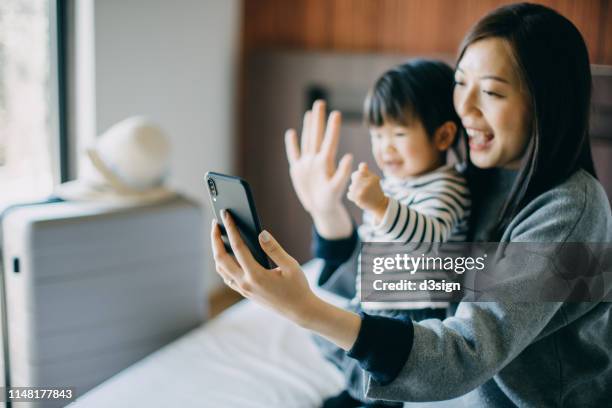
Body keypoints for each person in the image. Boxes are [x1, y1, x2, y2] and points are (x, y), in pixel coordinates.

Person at [212, 3, 612, 406]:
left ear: (547, 103)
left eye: (491, 91)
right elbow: (404, 284)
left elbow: (465, 354)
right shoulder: (472, 179)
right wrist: (328, 216)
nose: (465, 109)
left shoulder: (572, 210)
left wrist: (307, 310)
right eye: (460, 83)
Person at [316, 59, 470, 408]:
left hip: (416, 308)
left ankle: (378, 402)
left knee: (385, 368)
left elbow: (428, 239)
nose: (385, 147)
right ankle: (357, 393)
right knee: (347, 345)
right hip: (385, 295)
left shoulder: (446, 187)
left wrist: (381, 205)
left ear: (443, 135)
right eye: (377, 135)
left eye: (399, 134)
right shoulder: (400, 183)